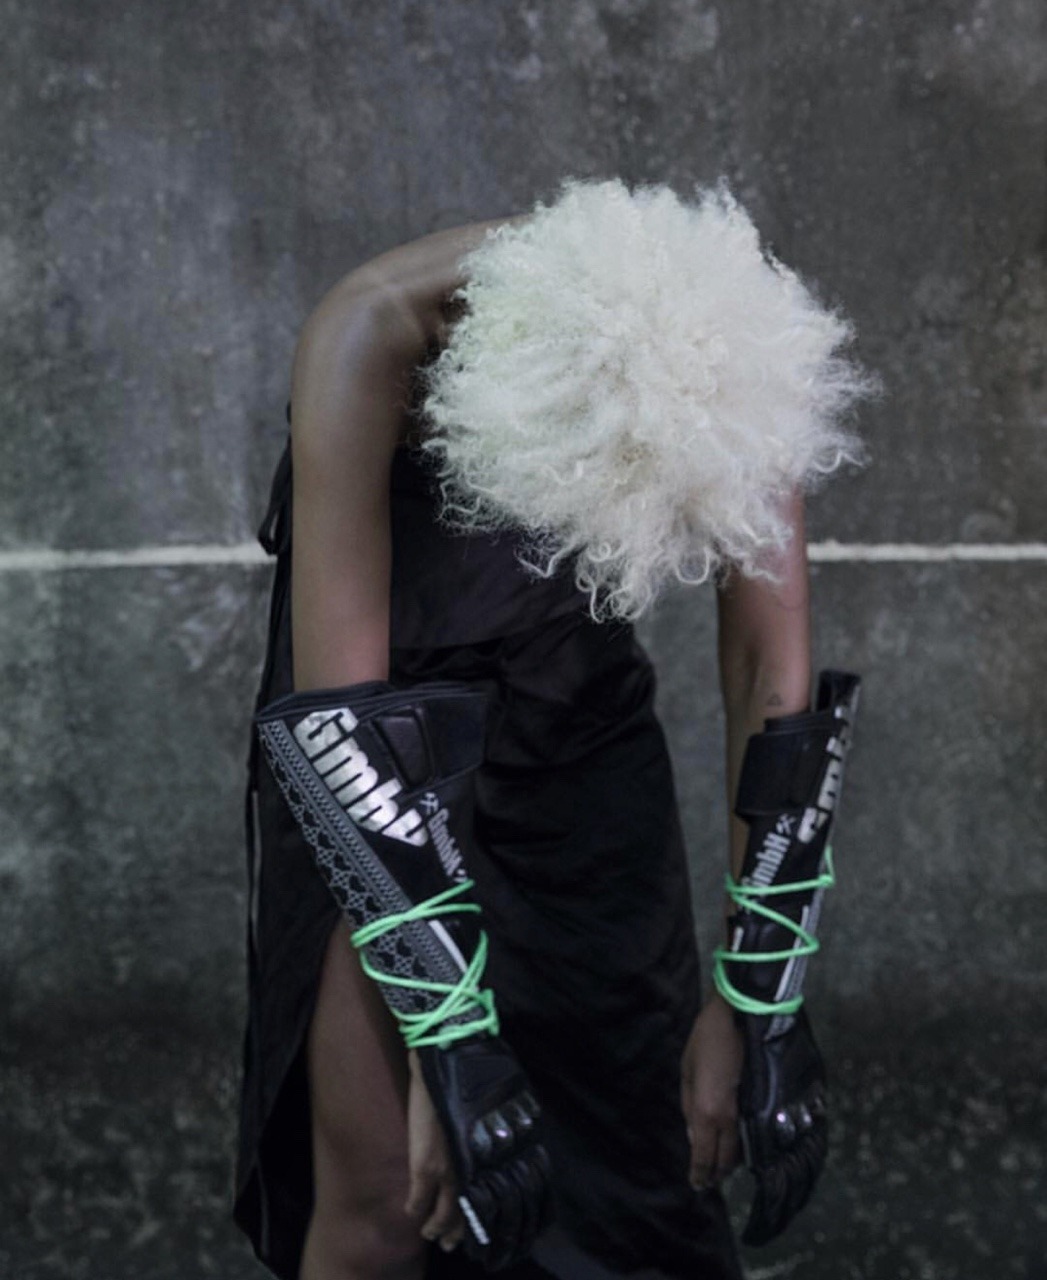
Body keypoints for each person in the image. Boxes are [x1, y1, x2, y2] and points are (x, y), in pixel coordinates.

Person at [233, 177, 871, 1280]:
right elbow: (345, 712)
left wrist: (759, 995)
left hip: (579, 734)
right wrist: (448, 1046)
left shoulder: (739, 342)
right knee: (386, 1196)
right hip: (375, 746)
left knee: (635, 1170)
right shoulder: (370, 329)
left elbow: (768, 668)